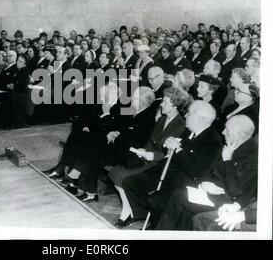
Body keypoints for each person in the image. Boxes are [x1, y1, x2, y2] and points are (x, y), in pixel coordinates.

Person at [122, 101, 223, 227]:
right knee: (130, 183)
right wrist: (168, 143)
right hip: (166, 170)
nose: (185, 115)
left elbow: (195, 171)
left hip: (182, 180)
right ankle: (145, 214)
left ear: (200, 119)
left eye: (189, 113)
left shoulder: (213, 141)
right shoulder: (188, 130)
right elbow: (170, 150)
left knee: (155, 201)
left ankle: (157, 224)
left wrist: (178, 150)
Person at [156, 115, 258, 230]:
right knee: (181, 194)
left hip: (226, 203)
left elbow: (236, 192)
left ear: (238, 134)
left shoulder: (252, 157)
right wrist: (203, 183)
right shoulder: (229, 145)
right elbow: (209, 170)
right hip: (209, 193)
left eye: (227, 130)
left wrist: (227, 161)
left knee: (179, 196)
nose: (223, 132)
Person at [109, 87, 188, 228]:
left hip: (159, 164)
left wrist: (151, 155)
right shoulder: (162, 119)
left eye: (165, 101)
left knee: (124, 177)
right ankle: (132, 211)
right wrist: (143, 150)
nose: (161, 104)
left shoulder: (180, 126)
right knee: (115, 172)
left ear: (175, 105)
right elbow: (151, 141)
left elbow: (170, 154)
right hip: (148, 158)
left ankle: (131, 212)